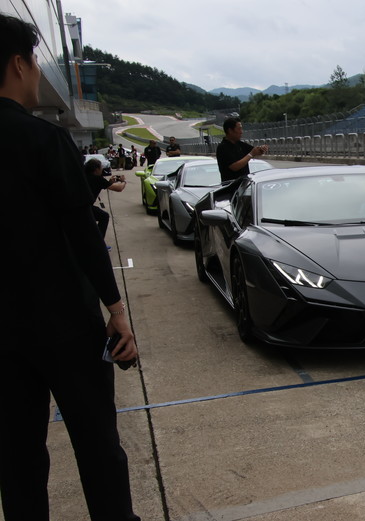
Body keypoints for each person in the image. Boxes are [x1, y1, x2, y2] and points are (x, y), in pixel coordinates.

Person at [0, 13, 141, 521]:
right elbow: (82, 235)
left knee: (17, 456)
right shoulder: (42, 139)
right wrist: (116, 310)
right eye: (34, 61)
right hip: (64, 323)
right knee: (97, 444)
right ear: (19, 65)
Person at [216, 117, 269, 182]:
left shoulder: (240, 144)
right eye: (239, 129)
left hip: (245, 184)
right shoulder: (222, 147)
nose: (241, 132)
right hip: (231, 186)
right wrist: (250, 154)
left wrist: (261, 149)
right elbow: (234, 167)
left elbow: (255, 151)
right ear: (230, 131)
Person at [85, 158, 127, 238]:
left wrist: (110, 182)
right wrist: (123, 181)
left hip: (74, 206)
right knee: (104, 216)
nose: (102, 170)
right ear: (96, 169)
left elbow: (104, 185)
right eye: (101, 168)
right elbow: (119, 188)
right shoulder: (98, 179)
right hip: (85, 207)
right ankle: (99, 241)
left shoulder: (84, 176)